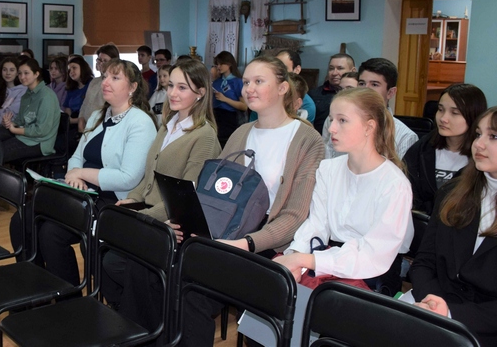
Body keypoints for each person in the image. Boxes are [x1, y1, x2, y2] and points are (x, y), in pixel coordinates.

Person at [174, 56, 325, 346]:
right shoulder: (242, 132)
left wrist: (248, 243)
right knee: (168, 274)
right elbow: (212, 193)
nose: (249, 89)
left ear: (283, 88)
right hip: (228, 234)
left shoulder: (308, 140)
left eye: (259, 82)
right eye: (246, 82)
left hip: (268, 244)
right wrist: (186, 220)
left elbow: (294, 216)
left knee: (192, 292)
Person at [113, 58, 221, 339]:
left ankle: (143, 333)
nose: (173, 93)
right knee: (112, 258)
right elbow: (147, 179)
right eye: (170, 85)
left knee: (134, 265)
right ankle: (134, 327)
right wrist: (131, 200)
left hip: (179, 225)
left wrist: (142, 218)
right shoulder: (168, 124)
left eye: (182, 87)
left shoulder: (204, 136)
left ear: (199, 93)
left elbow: (187, 198)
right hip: (154, 217)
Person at [26, 59, 157, 287]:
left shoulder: (140, 122)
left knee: (50, 233)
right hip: (84, 192)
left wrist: (81, 173)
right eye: (105, 76)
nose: (105, 82)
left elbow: (128, 177)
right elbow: (77, 155)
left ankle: (67, 299)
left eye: (115, 78)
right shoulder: (99, 115)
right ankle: (36, 287)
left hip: (112, 201)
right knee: (26, 218)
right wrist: (73, 176)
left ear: (133, 87)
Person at [275, 87, 413, 297]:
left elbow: (373, 256)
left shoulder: (394, 184)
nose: (331, 129)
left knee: (323, 302)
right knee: (280, 284)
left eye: (342, 120)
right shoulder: (329, 169)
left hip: (372, 274)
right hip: (327, 258)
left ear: (369, 127)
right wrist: (294, 257)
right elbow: (316, 224)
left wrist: (307, 260)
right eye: (331, 120)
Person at [409, 106, 497, 346]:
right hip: (433, 305)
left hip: (484, 328)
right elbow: (424, 261)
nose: (478, 144)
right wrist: (432, 300)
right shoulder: (453, 191)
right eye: (478, 134)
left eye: (493, 137)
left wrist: (450, 314)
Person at [403, 84, 486, 215]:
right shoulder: (423, 148)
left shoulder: (483, 155)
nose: (443, 119)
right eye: (440, 110)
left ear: (473, 116)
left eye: (455, 113)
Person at [323, 58, 418, 159]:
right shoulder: (340, 124)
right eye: (362, 83)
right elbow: (329, 161)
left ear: (390, 92)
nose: (365, 90)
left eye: (374, 84)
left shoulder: (405, 137)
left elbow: (399, 173)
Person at [0, 58, 60, 165]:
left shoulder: (46, 96)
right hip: (25, 136)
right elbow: (20, 120)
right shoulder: (27, 94)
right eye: (20, 73)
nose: (22, 77)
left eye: (26, 73)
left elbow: (41, 131)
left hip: (39, 142)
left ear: (36, 74)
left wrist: (14, 130)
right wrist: (9, 123)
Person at [308, 53, 355, 132]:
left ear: (353, 71)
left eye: (340, 68)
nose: (334, 73)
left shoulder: (359, 96)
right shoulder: (314, 95)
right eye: (331, 68)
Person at [78, 44, 120, 132]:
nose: (101, 63)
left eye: (105, 61)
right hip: (86, 126)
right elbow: (85, 104)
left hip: (101, 127)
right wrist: (81, 120)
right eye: (99, 60)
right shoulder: (94, 82)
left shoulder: (115, 83)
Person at [211, 51, 246, 146]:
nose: (218, 67)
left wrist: (225, 99)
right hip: (214, 115)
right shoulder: (216, 82)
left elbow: (244, 106)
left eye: (221, 64)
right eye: (217, 64)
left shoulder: (238, 82)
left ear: (229, 64)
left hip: (229, 118)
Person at [275, 49, 316, 123]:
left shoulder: (307, 105)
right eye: (275, 69)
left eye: (283, 69)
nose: (279, 73)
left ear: (297, 70)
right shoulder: (267, 95)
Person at [0, 57, 24, 126]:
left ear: (17, 73)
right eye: (4, 70)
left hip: (9, 129)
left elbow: (10, 114)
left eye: (12, 70)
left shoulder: (23, 91)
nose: (8, 73)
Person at [64, 56, 94, 124]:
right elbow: (67, 108)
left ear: (82, 68)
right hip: (72, 123)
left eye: (74, 68)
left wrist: (75, 120)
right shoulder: (71, 88)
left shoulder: (92, 84)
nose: (71, 72)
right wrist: (69, 119)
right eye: (69, 70)